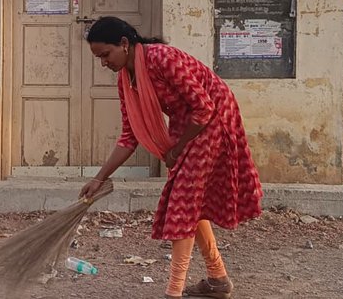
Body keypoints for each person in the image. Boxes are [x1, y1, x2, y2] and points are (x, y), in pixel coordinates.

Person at [79, 16, 263, 299]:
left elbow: (204, 107)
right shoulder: (126, 81)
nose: (104, 63)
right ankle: (217, 279)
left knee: (182, 202)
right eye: (99, 58)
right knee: (190, 202)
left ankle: (173, 292)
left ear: (125, 44)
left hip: (214, 117)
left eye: (106, 54)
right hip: (187, 121)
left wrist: (177, 148)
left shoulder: (162, 58)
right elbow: (130, 137)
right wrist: (99, 178)